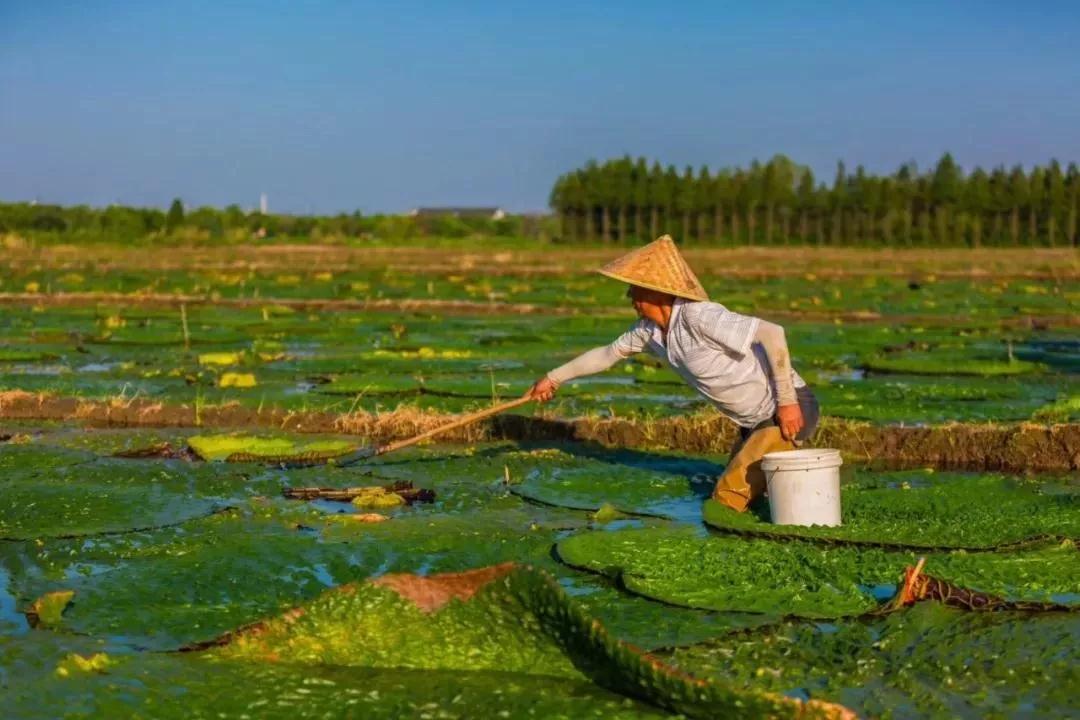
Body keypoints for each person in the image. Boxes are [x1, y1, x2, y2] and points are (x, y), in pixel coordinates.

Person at [526, 236, 819, 513]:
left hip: (783, 413)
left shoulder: (699, 316)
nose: (629, 296)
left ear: (656, 291)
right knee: (753, 494)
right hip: (752, 424)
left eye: (635, 288)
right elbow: (606, 355)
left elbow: (772, 333)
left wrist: (787, 401)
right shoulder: (647, 332)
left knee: (726, 499)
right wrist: (553, 377)